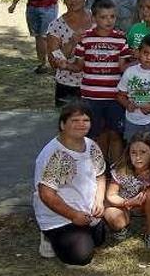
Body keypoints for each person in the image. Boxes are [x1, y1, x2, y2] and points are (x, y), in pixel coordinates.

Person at [60, 0, 132, 164]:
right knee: (95, 135)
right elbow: (78, 66)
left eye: (112, 17)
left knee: (115, 134)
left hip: (115, 97)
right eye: (104, 17)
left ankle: (115, 170)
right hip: (91, 98)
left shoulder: (121, 40)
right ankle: (97, 170)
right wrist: (65, 65)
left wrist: (139, 64)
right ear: (94, 18)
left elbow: (123, 68)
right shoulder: (85, 39)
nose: (109, 21)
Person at [33, 103, 106, 266]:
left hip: (86, 212)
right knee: (81, 256)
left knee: (99, 239)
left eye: (85, 120)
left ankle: (75, 235)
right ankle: (48, 236)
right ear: (62, 124)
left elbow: (100, 175)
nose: (81, 124)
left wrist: (99, 200)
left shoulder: (92, 146)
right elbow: (46, 194)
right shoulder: (53, 154)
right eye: (75, 120)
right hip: (60, 216)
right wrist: (73, 215)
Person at [103, 132, 150, 249]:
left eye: (143, 152)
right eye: (133, 153)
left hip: (144, 205)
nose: (138, 157)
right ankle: (121, 229)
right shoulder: (121, 169)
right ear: (128, 153)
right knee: (112, 215)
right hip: (123, 204)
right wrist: (127, 202)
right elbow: (110, 195)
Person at [46, 0, 94, 106]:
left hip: (96, 84)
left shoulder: (99, 19)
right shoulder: (56, 26)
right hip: (68, 86)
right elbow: (53, 61)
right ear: (64, 0)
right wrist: (72, 42)